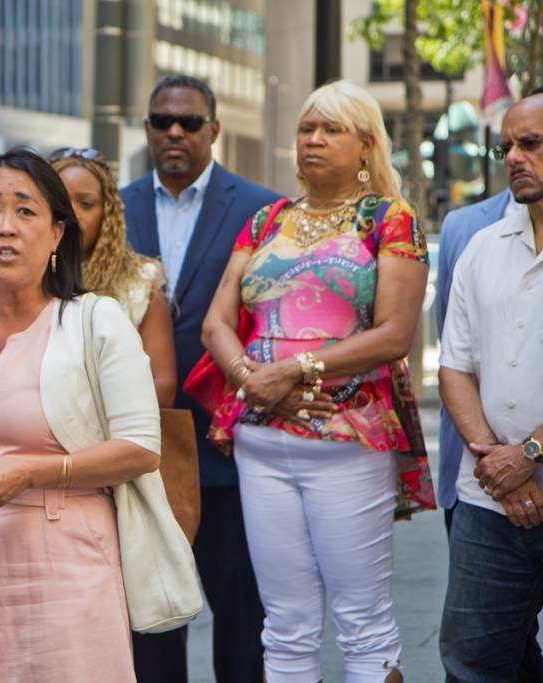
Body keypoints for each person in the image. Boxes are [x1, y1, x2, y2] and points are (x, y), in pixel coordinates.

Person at [202, 80, 436, 683]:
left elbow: (393, 336)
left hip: (347, 440)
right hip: (260, 439)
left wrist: (294, 369)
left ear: (365, 146)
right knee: (284, 624)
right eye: (307, 128)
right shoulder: (267, 219)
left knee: (364, 622)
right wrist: (252, 379)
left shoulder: (390, 219)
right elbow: (215, 324)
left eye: (330, 129)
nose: (313, 139)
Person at [0, 148, 160, 683]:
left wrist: (30, 471)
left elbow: (141, 448)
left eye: (25, 211)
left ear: (56, 235)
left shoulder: (96, 321)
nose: (7, 227)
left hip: (71, 562)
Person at [120, 73, 278, 683]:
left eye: (189, 122)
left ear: (214, 129)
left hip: (230, 449)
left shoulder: (260, 208)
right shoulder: (116, 208)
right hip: (144, 450)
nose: (176, 133)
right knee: (152, 622)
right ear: (147, 130)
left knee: (243, 622)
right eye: (163, 122)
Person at [437, 93, 543, 682]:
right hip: (489, 500)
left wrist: (528, 454)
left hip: (515, 471)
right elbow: (454, 366)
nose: (513, 158)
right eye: (505, 146)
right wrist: (494, 461)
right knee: (474, 665)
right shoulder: (482, 247)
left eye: (531, 144)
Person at [49, 147, 177, 406]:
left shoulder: (139, 283)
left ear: (107, 215)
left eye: (86, 204)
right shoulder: (19, 279)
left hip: (113, 437)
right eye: (60, 203)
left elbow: (162, 385)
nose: (72, 214)